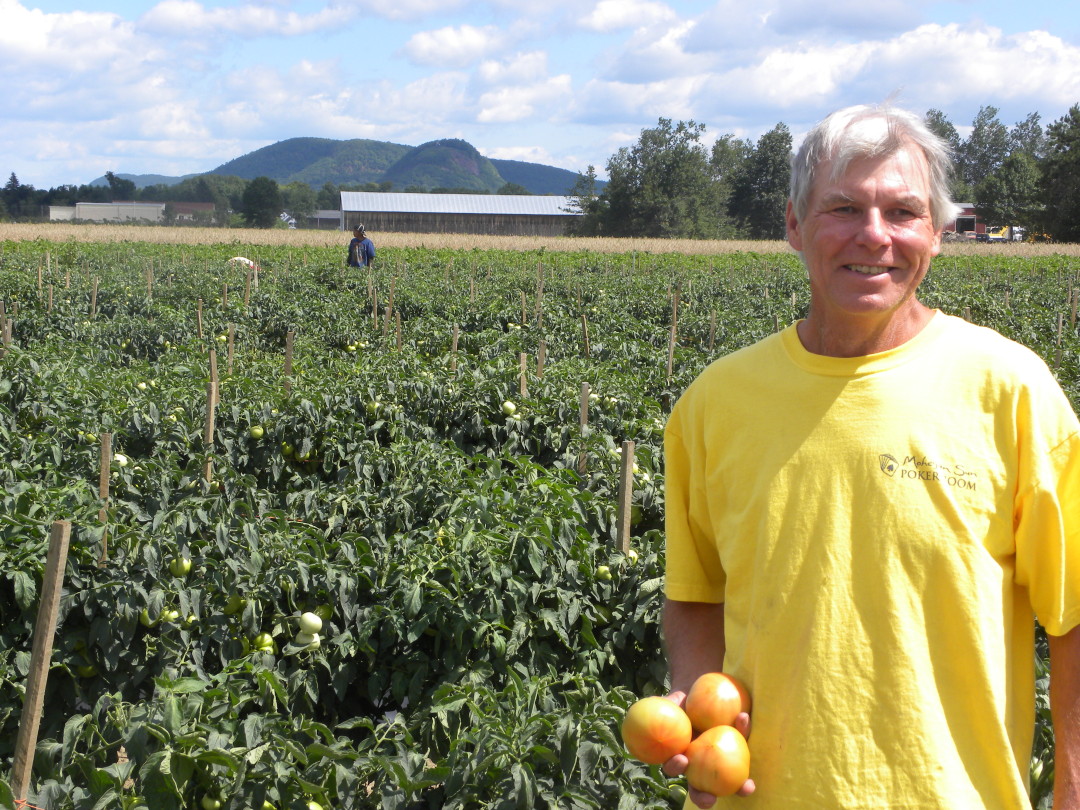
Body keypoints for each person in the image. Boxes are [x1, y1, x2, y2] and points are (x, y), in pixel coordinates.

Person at [661, 103, 1079, 809]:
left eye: (904, 212)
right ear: (793, 226)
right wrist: (701, 712)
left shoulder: (1011, 392)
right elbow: (695, 595)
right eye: (844, 207)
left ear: (939, 234)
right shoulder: (715, 404)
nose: (875, 235)